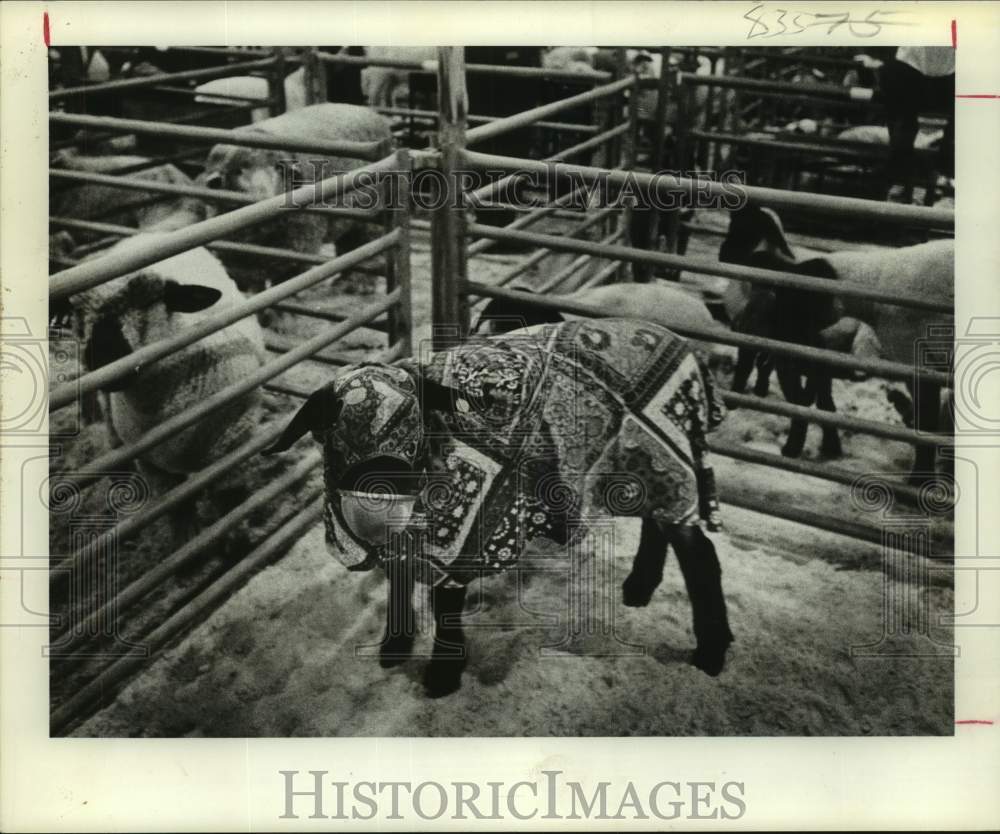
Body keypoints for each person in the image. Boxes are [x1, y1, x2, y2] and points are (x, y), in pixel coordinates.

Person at [874, 46, 955, 201]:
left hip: (949, 73)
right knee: (902, 129)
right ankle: (899, 178)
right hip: (910, 68)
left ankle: (945, 176)